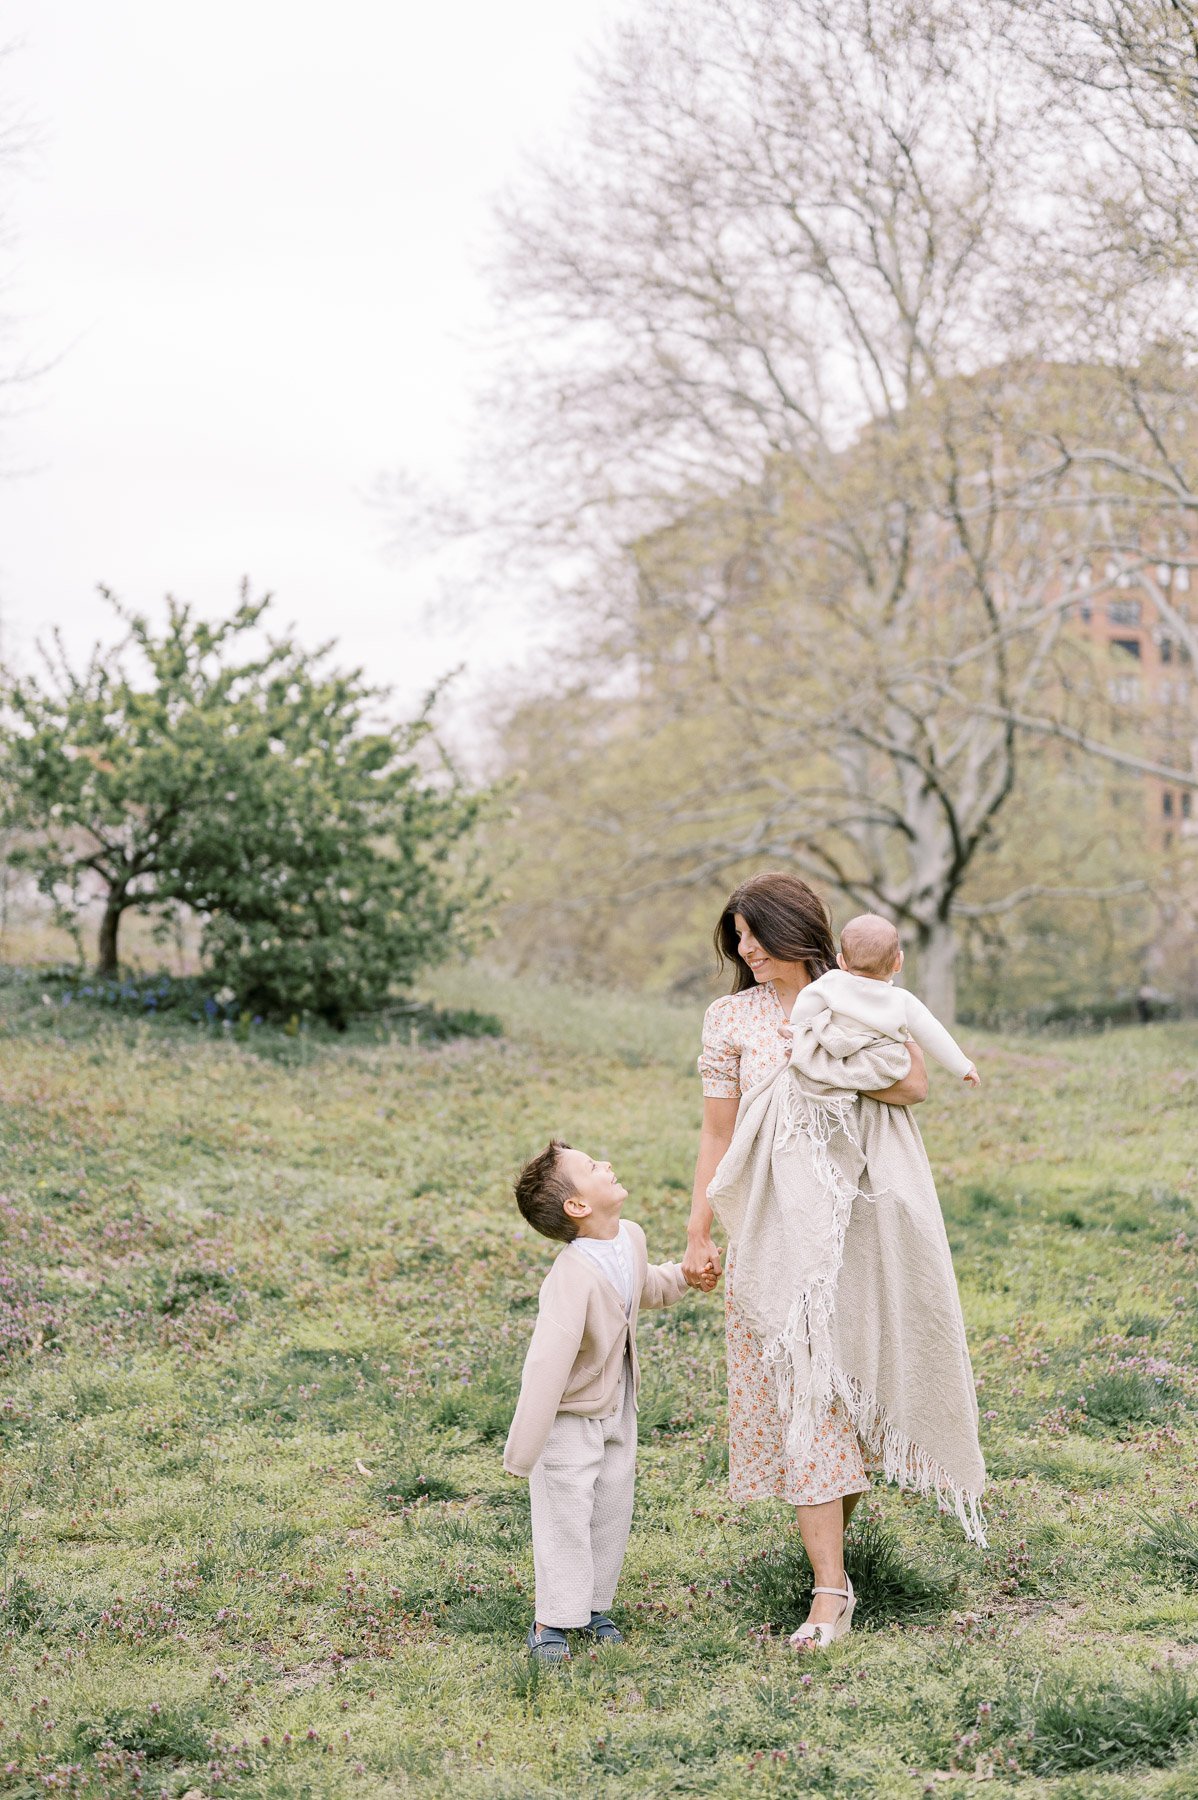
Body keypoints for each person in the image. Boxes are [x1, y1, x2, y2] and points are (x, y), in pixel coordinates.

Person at [684, 871, 985, 1653]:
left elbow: (914, 1082)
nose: (744, 948)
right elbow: (716, 1136)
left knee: (840, 1408)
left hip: (855, 1230)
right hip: (770, 1235)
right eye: (737, 936)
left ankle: (832, 1569)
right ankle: (830, 1591)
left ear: (798, 933)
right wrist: (699, 1233)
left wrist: (828, 1062)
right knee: (804, 1404)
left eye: (755, 934)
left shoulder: (854, 997)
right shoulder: (729, 1020)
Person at [504, 1140, 703, 1663]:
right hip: (567, 1417)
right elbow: (545, 1365)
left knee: (612, 1505)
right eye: (593, 1167)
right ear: (578, 1207)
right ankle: (552, 1618)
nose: (607, 1164)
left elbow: (644, 1286)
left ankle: (590, 1606)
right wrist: (524, 1452)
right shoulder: (569, 1279)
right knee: (566, 1515)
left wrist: (684, 1276)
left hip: (618, 1399)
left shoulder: (629, 1238)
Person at [790, 912, 980, 1086]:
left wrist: (795, 1030)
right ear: (898, 962)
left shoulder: (832, 982)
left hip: (835, 1054)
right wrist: (962, 1066)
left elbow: (806, 1003)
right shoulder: (902, 1000)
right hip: (878, 1067)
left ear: (841, 962)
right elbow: (932, 1033)